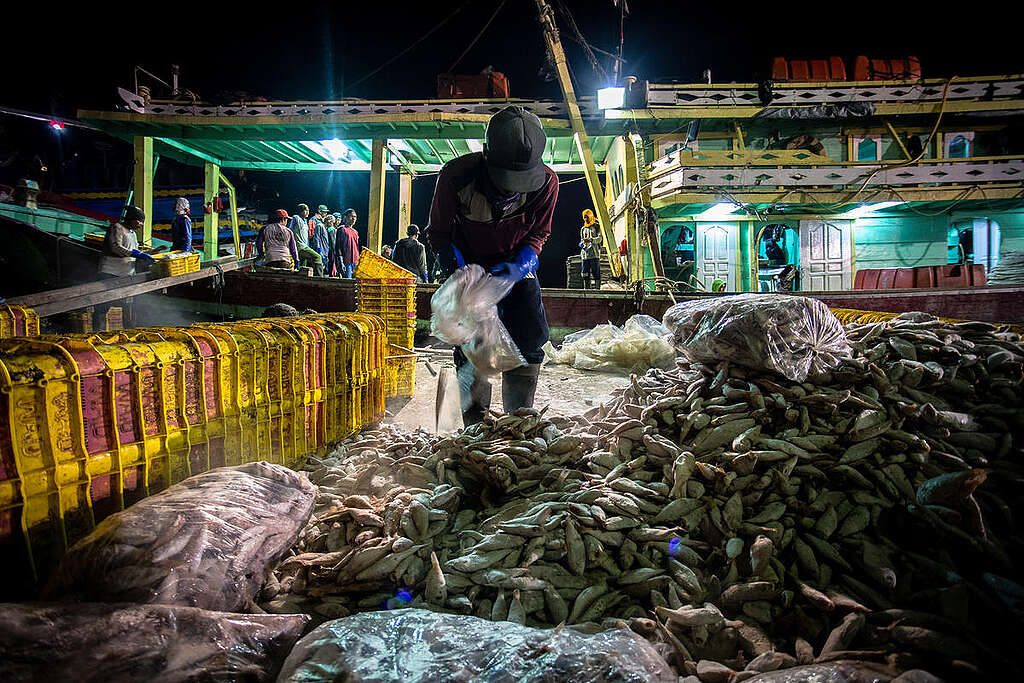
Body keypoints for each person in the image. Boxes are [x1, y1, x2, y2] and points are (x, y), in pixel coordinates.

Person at [426, 104, 558, 425]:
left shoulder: (546, 184)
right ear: (486, 153)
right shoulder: (456, 177)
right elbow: (439, 234)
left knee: (529, 340)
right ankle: (475, 423)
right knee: (472, 347)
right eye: (505, 179)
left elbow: (539, 232)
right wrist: (460, 274)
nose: (512, 188)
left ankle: (518, 419)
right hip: (470, 270)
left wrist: (521, 264)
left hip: (515, 269)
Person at [100, 205, 155, 277]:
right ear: (131, 219)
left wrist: (150, 252)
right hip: (111, 272)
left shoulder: (133, 233)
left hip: (126, 273)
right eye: (139, 221)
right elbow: (115, 248)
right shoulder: (117, 227)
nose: (141, 224)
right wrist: (136, 254)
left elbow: (134, 251)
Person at [289, 203, 323, 275]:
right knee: (318, 257)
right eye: (305, 210)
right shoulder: (296, 218)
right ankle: (319, 278)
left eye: (308, 210)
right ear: (300, 211)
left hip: (304, 246)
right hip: (300, 246)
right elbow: (289, 230)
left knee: (302, 268)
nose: (308, 212)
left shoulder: (305, 221)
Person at [333, 209, 360, 277]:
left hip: (355, 261)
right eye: (351, 216)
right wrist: (340, 261)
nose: (353, 218)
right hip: (346, 261)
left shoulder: (355, 232)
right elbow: (338, 247)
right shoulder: (342, 229)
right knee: (348, 281)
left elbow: (357, 248)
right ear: (345, 217)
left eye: (355, 217)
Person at [579, 208, 601, 289]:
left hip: (594, 254)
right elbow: (581, 240)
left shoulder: (596, 226)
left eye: (587, 217)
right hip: (585, 255)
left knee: (596, 273)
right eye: (584, 217)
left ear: (591, 216)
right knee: (585, 273)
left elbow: (599, 239)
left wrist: (591, 240)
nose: (585, 219)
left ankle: (597, 290)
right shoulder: (583, 229)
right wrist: (582, 243)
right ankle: (586, 290)